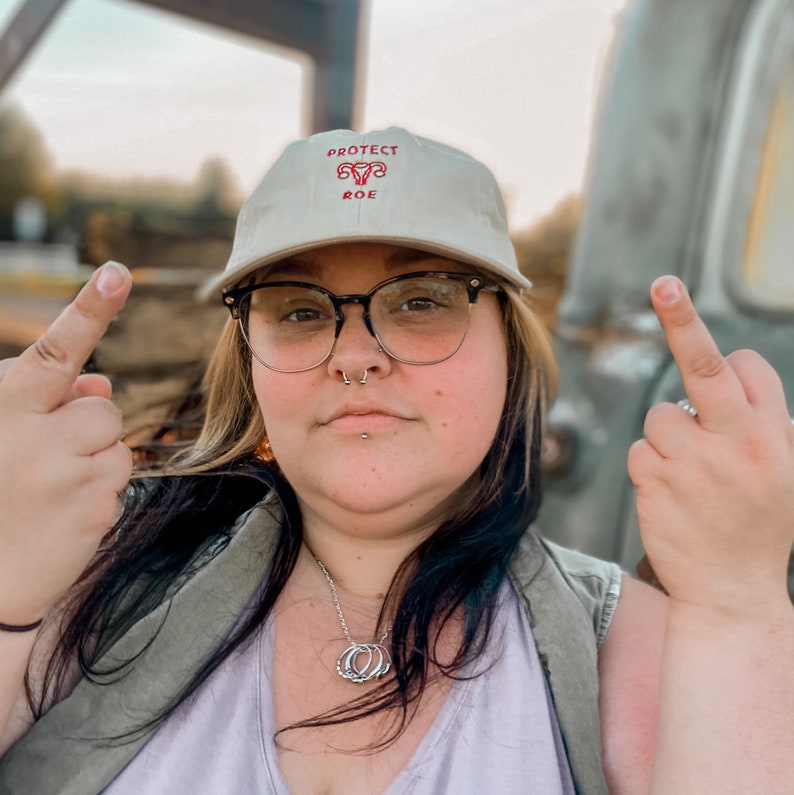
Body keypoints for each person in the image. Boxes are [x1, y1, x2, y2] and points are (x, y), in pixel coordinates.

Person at [0, 127, 792, 795]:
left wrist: (737, 603)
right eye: (301, 311)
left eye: (421, 300)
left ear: (508, 349)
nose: (355, 357)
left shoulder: (636, 645)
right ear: (250, 366)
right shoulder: (80, 575)